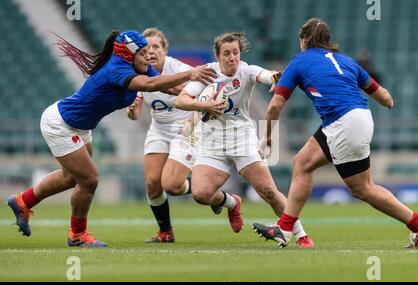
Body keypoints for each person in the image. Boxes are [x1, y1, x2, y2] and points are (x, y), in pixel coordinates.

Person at [6, 30, 216, 247]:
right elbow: (149, 85)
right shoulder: (118, 68)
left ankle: (23, 201)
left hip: (80, 126)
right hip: (61, 124)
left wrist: (202, 98)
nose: (148, 57)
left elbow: (168, 87)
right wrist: (190, 74)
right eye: (143, 53)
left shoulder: (139, 65)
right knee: (89, 180)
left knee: (71, 178)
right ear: (129, 54)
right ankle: (77, 235)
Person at [252, 18, 418, 249]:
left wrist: (267, 135)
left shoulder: (299, 61)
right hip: (358, 117)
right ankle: (286, 227)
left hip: (343, 123)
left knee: (363, 189)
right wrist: (389, 103)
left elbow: (274, 106)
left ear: (304, 40)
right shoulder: (346, 61)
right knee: (303, 162)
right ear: (328, 41)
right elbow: (384, 97)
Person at [175, 32, 314, 248]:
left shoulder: (246, 71)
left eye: (236, 53)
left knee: (268, 191)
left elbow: (266, 75)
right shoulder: (208, 74)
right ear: (217, 56)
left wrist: (276, 77)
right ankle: (232, 203)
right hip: (212, 143)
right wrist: (205, 106)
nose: (232, 58)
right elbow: (181, 100)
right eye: (227, 53)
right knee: (201, 194)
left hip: (242, 139)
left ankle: (301, 235)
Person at [126, 28, 219, 243]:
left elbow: (206, 96)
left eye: (156, 47)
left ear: (165, 50)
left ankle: (214, 195)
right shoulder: (139, 72)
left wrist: (192, 121)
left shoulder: (180, 69)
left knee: (173, 185)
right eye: (145, 48)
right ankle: (165, 233)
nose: (150, 52)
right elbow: (134, 113)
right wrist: (131, 111)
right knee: (152, 184)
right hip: (159, 129)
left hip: (186, 128)